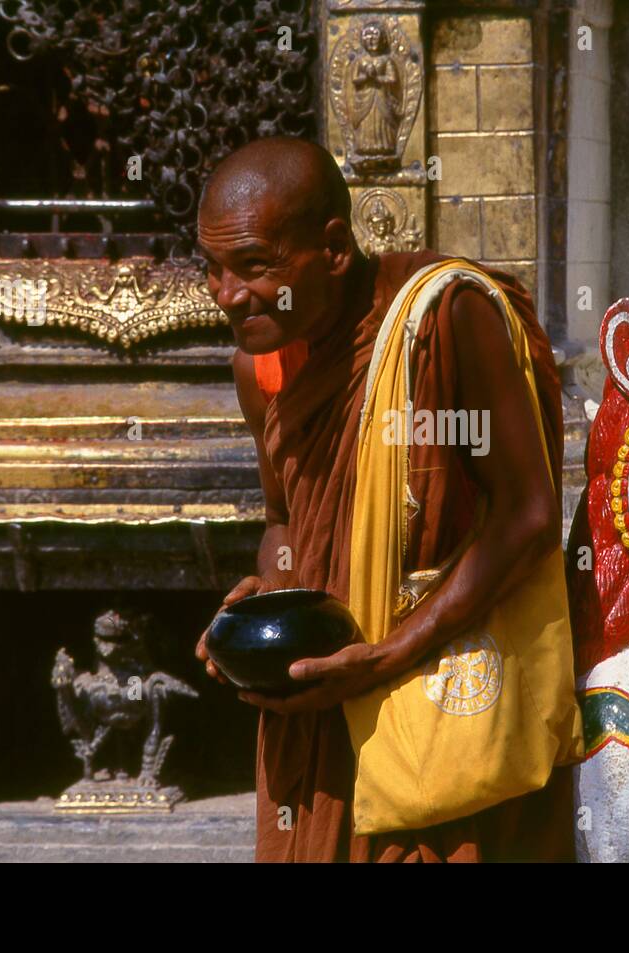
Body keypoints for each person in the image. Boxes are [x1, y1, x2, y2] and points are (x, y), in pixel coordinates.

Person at [192, 136, 575, 862]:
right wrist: (267, 595)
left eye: (253, 266)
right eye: (212, 269)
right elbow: (285, 520)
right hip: (321, 707)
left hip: (437, 700)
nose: (227, 294)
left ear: (333, 249)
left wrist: (386, 653)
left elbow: (527, 515)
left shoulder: (444, 317)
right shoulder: (260, 363)